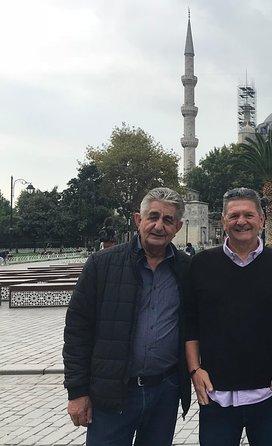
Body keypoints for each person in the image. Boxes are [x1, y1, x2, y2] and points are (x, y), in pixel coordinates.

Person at [63, 187, 192, 446]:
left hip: (164, 391)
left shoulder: (186, 269)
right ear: (138, 220)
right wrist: (77, 392)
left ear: (177, 227)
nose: (159, 225)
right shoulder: (103, 264)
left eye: (168, 220)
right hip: (114, 392)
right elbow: (78, 329)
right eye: (153, 216)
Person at [184, 187, 272, 445]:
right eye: (234, 216)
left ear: (262, 219)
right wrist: (194, 370)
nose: (241, 221)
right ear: (223, 221)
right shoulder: (201, 264)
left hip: (268, 394)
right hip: (216, 395)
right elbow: (190, 323)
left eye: (248, 215)